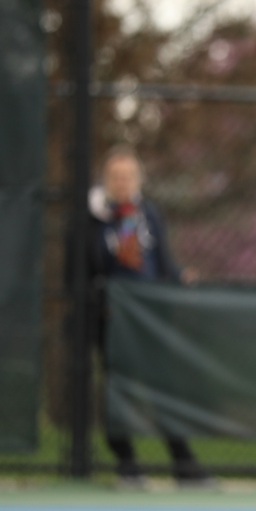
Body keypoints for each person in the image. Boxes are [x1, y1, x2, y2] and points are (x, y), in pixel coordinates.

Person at [88, 145, 209, 486]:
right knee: (116, 392)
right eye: (115, 176)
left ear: (136, 179)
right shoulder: (93, 219)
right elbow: (86, 268)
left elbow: (162, 262)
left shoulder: (148, 214)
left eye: (127, 176)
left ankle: (184, 466)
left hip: (150, 321)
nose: (122, 181)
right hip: (111, 325)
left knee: (163, 389)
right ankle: (127, 466)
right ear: (106, 180)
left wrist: (179, 275)